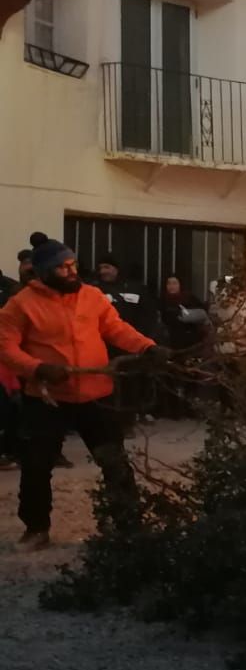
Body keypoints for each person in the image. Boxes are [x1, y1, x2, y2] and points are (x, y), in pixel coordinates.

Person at [0, 235, 167, 549]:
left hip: (95, 395)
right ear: (44, 272)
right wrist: (37, 368)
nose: (71, 271)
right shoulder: (21, 304)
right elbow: (5, 347)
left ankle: (128, 524)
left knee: (114, 461)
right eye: (63, 267)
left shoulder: (92, 296)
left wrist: (147, 347)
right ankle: (36, 528)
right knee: (37, 465)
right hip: (47, 398)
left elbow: (115, 328)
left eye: (73, 264)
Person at [94, 255, 163, 427]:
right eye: (101, 268)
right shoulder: (95, 290)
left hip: (132, 346)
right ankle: (107, 421)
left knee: (132, 383)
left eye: (107, 267)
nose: (103, 271)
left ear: (116, 269)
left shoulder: (136, 288)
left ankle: (129, 420)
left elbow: (149, 314)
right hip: (105, 347)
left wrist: (146, 340)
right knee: (107, 384)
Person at [156, 275, 210, 417]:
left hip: (190, 343)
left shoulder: (189, 299)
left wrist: (187, 316)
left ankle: (190, 408)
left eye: (174, 283)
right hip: (170, 344)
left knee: (190, 375)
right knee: (172, 376)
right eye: (168, 283)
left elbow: (202, 315)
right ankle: (173, 410)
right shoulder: (162, 301)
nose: (171, 286)